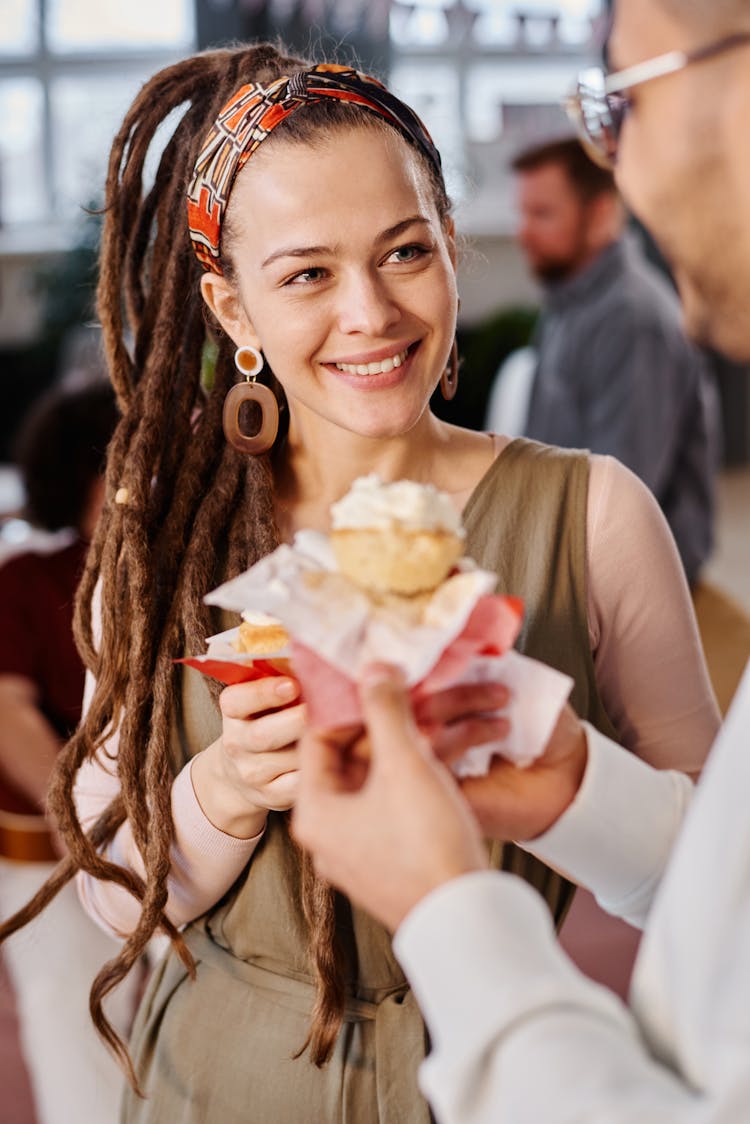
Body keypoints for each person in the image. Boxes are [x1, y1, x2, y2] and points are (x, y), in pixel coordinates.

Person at [0, 42, 719, 1122]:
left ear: (449, 250)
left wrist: (563, 782)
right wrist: (231, 784)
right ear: (232, 309)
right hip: (215, 1082)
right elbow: (112, 891)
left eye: (403, 251)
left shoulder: (595, 514)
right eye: (306, 273)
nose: (371, 312)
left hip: (500, 1067)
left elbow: (721, 884)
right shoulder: (159, 535)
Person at [293, 1, 750, 1118]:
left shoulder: (588, 493)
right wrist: (587, 794)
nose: (621, 157)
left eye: (625, 101)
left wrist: (453, 909)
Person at [0, 380, 139, 1124]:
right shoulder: (28, 578)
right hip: (51, 854)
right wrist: (78, 812)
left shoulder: (184, 567)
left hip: (170, 839)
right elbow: (5, 709)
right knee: (71, 1026)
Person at [508, 135, 720, 585]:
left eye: (542, 214)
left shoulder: (632, 320)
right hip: (568, 545)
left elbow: (622, 494)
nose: (522, 231)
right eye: (522, 213)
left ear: (601, 214)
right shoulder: (570, 295)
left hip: (635, 576)